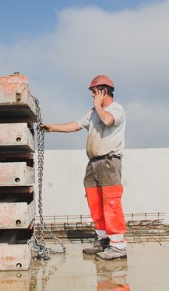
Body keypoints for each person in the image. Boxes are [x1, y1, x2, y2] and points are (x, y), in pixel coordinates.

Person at [41, 75, 128, 260]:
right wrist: (52, 128)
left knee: (111, 203)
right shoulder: (93, 112)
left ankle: (118, 247)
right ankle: (103, 241)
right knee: (95, 203)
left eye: (94, 92)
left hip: (109, 162)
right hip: (93, 163)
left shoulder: (116, 109)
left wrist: (98, 105)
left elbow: (108, 121)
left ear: (104, 91)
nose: (92, 96)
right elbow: (75, 125)